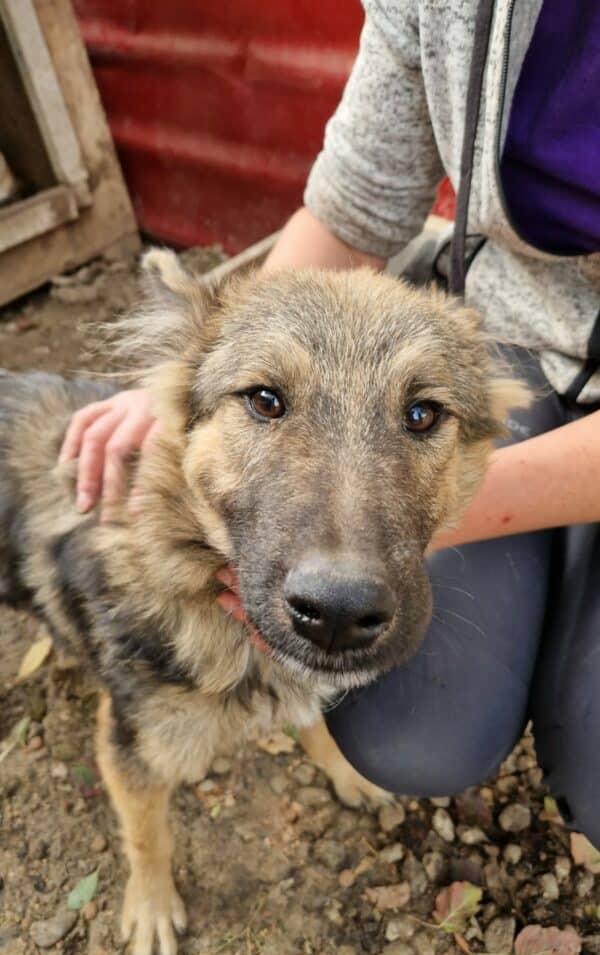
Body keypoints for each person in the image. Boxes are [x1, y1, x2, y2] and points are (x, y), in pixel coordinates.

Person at [60, 1, 600, 845]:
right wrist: (208, 358)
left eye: (422, 417)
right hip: (516, 337)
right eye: (266, 405)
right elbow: (352, 206)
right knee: (413, 735)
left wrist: (443, 512)